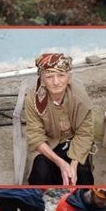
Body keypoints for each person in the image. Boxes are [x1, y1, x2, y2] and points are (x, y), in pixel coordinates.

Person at [25, 53, 94, 186]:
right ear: (42, 79)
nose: (56, 82)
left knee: (82, 173)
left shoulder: (80, 98)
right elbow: (35, 136)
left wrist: (73, 165)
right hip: (48, 143)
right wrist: (61, 163)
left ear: (69, 78)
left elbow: (85, 133)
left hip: (73, 142)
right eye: (49, 76)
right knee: (40, 173)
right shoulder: (33, 99)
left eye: (61, 75)